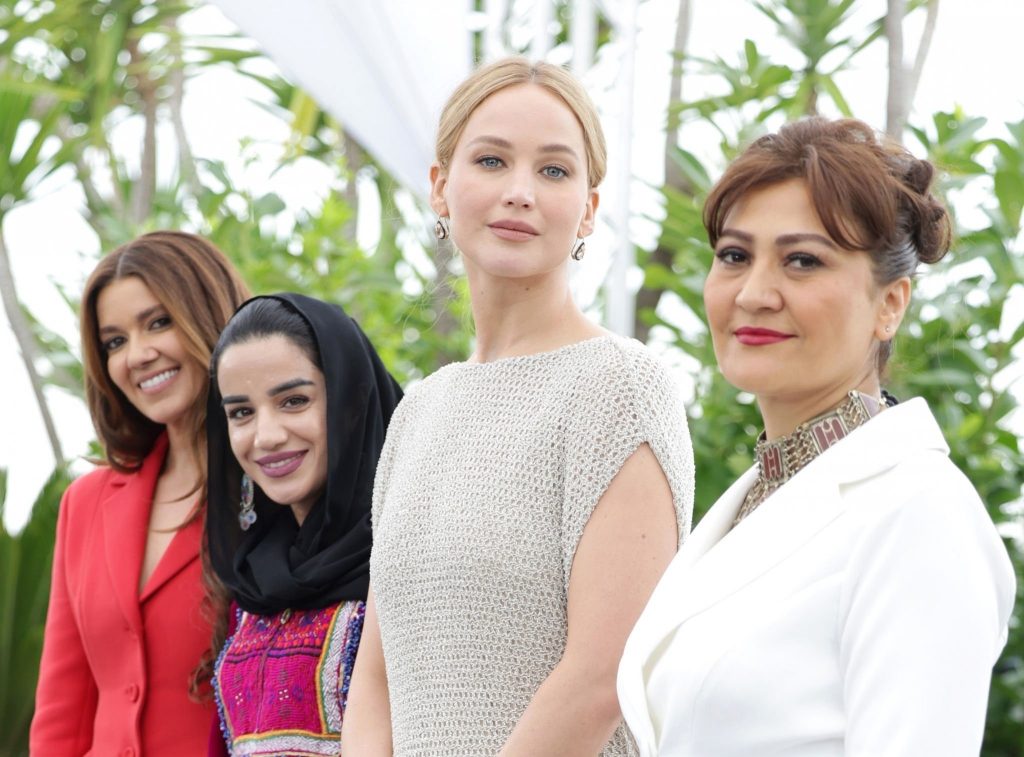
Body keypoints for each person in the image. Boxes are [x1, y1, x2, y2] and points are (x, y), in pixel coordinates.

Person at [617, 117, 1016, 756]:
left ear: (891, 304)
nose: (753, 293)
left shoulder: (918, 512)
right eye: (734, 256)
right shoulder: (758, 497)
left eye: (803, 261)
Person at [342, 57, 695, 756]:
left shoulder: (619, 387)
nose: (520, 192)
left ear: (589, 208)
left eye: (554, 171)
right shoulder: (418, 410)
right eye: (492, 160)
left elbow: (600, 676)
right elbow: (378, 678)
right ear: (442, 188)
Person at [30, 231, 250, 757]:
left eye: (158, 322)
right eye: (115, 341)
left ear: (209, 315)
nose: (138, 355)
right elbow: (63, 710)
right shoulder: (85, 503)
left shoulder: (272, 485)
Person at [204, 293, 402, 756]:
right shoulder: (251, 583)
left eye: (293, 401)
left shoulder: (411, 554)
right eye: (241, 413)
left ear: (352, 402)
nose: (266, 436)